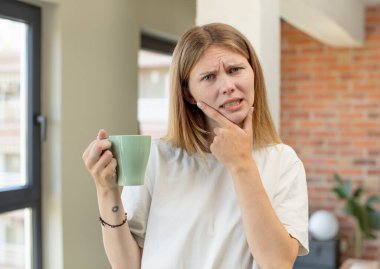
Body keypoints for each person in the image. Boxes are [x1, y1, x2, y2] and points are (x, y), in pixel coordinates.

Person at [82, 22, 309, 269]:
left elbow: (277, 263)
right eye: (209, 77)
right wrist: (106, 190)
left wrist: (242, 165)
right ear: (188, 93)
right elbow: (127, 265)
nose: (228, 86)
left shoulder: (283, 162)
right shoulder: (156, 157)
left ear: (253, 72)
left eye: (235, 69)